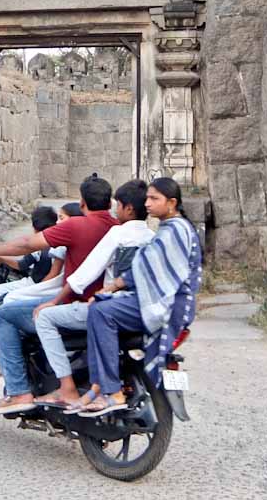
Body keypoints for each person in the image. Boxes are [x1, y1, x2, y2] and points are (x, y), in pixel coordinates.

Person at [0, 174, 118, 417]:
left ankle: (19, 391)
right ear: (110, 203)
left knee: (4, 315)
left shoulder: (76, 225)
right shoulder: (118, 229)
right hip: (107, 308)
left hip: (76, 306)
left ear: (83, 204)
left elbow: (27, 245)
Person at [78, 177, 202, 416]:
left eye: (155, 198)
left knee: (100, 312)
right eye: (147, 198)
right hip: (165, 299)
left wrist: (113, 287)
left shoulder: (175, 231)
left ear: (172, 203)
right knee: (105, 304)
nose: (148, 203)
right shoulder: (170, 228)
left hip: (168, 303)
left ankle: (110, 390)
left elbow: (148, 270)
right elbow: (148, 270)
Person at [31, 179, 154, 408]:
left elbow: (85, 273)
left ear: (128, 209)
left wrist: (54, 301)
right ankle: (92, 385)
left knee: (45, 317)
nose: (115, 210)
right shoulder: (151, 237)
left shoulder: (118, 234)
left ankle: (66, 388)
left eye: (118, 205)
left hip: (112, 306)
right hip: (140, 308)